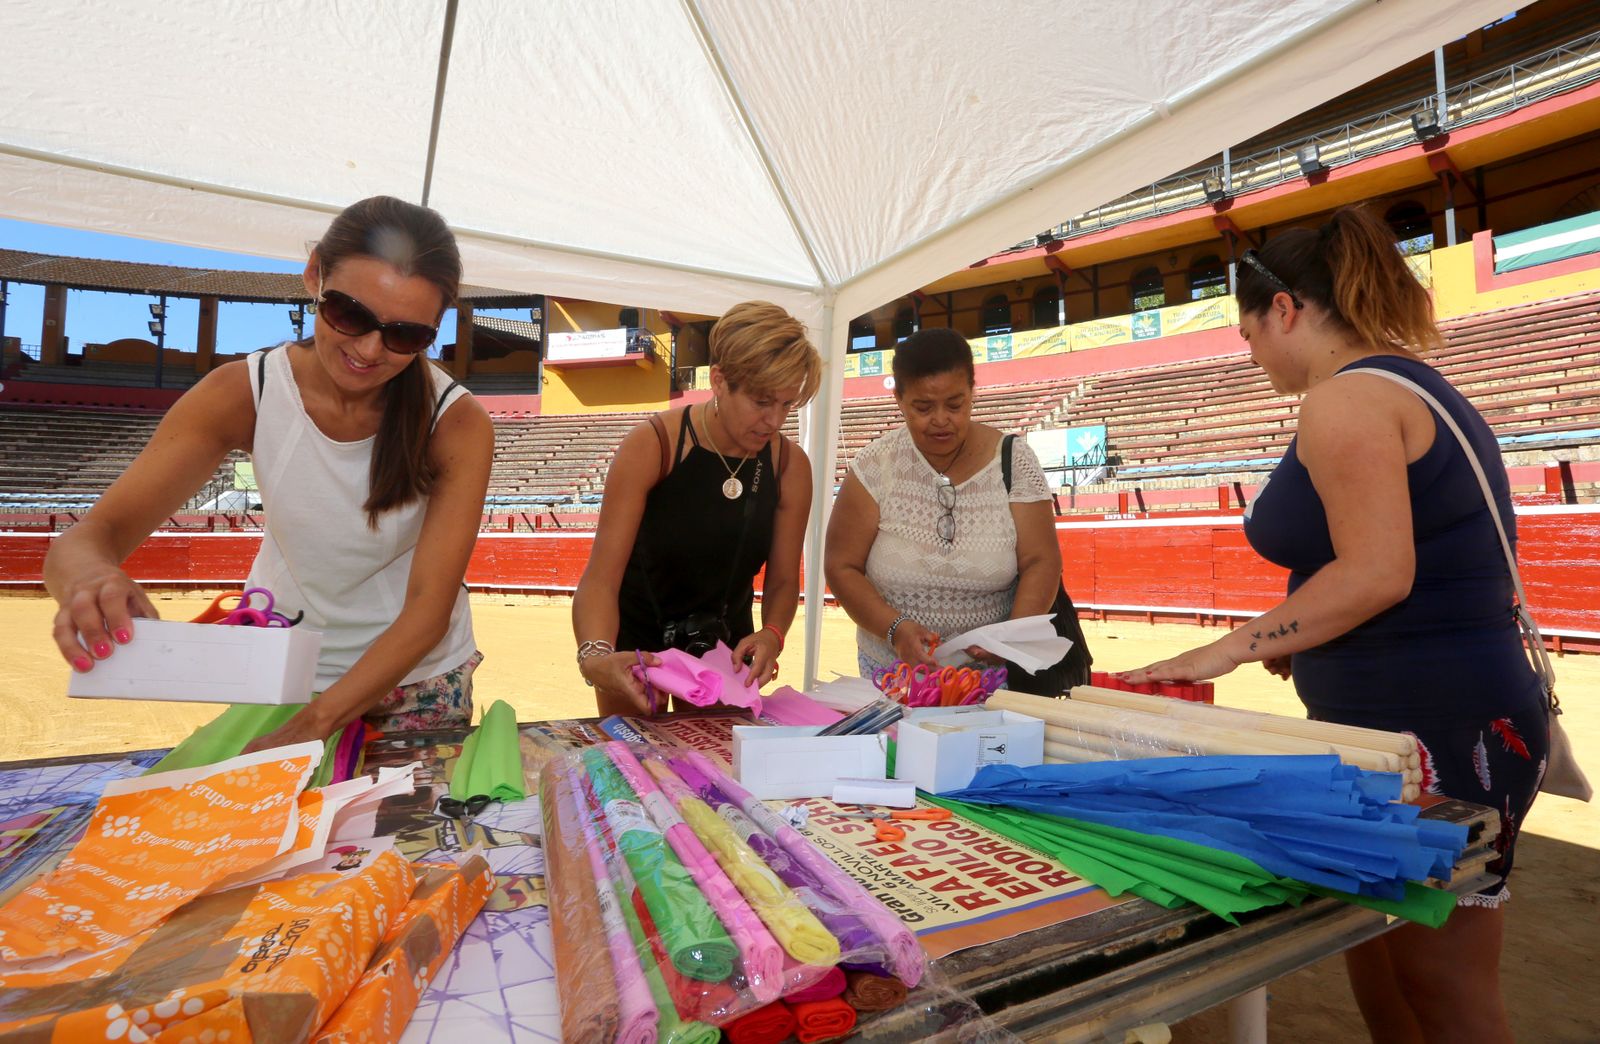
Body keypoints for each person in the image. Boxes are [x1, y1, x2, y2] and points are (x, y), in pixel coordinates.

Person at [1126, 205, 1547, 1044]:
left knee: (1442, 979)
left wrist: (1229, 647)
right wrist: (1308, 631)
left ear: (1285, 310)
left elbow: (1377, 573)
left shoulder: (1343, 401)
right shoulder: (1402, 384)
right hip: (1425, 705)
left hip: (1432, 719)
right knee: (1380, 944)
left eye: (1249, 334)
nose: (1249, 356)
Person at [45, 196, 495, 751]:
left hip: (419, 682)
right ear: (313, 276)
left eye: (405, 334)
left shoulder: (458, 422)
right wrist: (88, 578)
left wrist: (313, 723)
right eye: (350, 314)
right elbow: (93, 536)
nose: (370, 349)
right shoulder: (242, 391)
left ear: (435, 329)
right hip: (278, 666)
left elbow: (428, 611)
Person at [572, 302, 819, 715]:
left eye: (787, 405)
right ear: (719, 381)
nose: (775, 421)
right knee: (636, 769)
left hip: (725, 648)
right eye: (762, 402)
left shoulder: (791, 466)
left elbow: (781, 581)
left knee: (713, 772)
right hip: (634, 644)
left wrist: (773, 634)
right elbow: (601, 578)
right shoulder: (653, 445)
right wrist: (595, 656)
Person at [824, 327, 1064, 681]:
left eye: (955, 404)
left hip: (992, 674)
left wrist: (1009, 638)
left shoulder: (1015, 462)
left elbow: (1041, 561)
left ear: (972, 393)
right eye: (923, 407)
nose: (941, 419)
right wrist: (896, 629)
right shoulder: (875, 467)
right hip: (891, 672)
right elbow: (841, 565)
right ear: (899, 400)